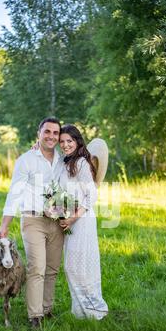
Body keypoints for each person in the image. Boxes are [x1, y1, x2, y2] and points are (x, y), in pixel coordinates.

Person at [0, 117, 64, 330]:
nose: (51, 136)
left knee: (52, 269)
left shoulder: (62, 161)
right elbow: (14, 194)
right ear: (39, 133)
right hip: (33, 220)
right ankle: (35, 316)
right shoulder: (26, 160)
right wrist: (5, 224)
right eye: (47, 132)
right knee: (37, 268)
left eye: (55, 133)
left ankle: (46, 309)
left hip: (57, 222)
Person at [58, 124, 108, 320]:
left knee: (80, 265)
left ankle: (93, 310)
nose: (65, 145)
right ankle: (80, 311)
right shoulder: (66, 162)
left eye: (69, 141)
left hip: (82, 220)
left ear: (77, 141)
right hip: (70, 220)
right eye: (62, 142)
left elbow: (91, 195)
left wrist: (73, 217)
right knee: (72, 265)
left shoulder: (80, 163)